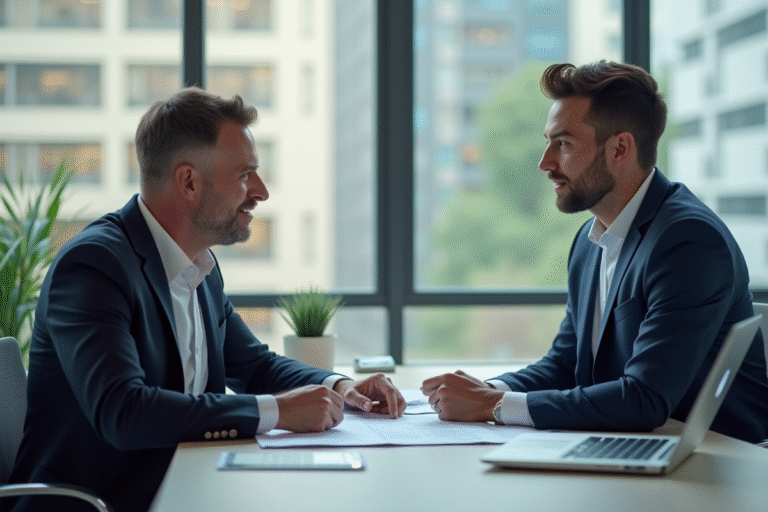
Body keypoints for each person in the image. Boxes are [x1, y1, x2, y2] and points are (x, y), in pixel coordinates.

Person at [8, 87, 405, 512]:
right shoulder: (94, 267)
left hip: (188, 488)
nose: (262, 191)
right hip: (103, 503)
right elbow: (123, 411)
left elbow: (254, 365)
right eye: (244, 175)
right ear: (189, 182)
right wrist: (276, 412)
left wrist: (340, 387)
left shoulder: (199, 265)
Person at [421, 61, 768, 443]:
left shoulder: (688, 241)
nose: (545, 163)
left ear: (620, 148)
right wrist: (486, 389)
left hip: (716, 461)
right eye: (549, 142)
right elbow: (565, 364)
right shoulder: (591, 240)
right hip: (639, 445)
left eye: (564, 144)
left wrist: (493, 406)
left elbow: (644, 399)